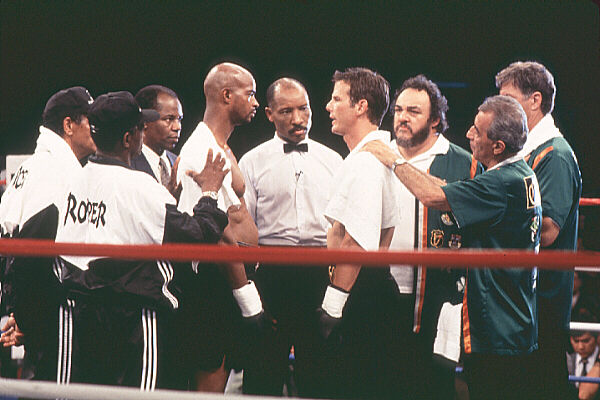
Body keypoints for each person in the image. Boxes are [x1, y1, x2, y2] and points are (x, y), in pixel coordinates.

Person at [363, 95, 542, 400]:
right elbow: (450, 191)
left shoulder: (500, 182)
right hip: (513, 316)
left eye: (477, 131)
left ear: (498, 146)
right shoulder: (520, 172)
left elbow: (433, 197)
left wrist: (392, 159)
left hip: (497, 324)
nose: (469, 134)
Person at [54, 91, 229, 390]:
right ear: (128, 138)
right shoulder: (138, 185)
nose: (143, 132)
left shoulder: (75, 178)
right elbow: (197, 236)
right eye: (139, 128)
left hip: (81, 314)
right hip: (131, 317)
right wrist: (209, 193)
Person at [238, 78, 342, 397]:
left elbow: (341, 228)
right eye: (286, 111)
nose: (298, 119)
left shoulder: (333, 161)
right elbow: (243, 230)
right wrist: (251, 289)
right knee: (263, 374)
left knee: (319, 375)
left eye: (303, 109)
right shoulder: (251, 161)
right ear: (269, 114)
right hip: (271, 273)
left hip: (319, 271)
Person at [384, 74, 483, 399]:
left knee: (432, 385)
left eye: (414, 111)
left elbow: (479, 229)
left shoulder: (464, 164)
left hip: (439, 296)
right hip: (380, 289)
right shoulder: (377, 154)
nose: (403, 117)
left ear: (435, 119)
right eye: (399, 110)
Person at [176, 62, 268, 392]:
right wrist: (247, 299)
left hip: (232, 277)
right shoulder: (201, 151)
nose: (256, 102)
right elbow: (216, 234)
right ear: (227, 95)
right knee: (211, 378)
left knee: (227, 377)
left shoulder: (219, 145)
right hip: (216, 282)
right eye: (250, 94)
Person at [496, 61, 583, 400]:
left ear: (535, 100)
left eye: (508, 99)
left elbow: (546, 231)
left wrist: (487, 217)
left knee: (542, 387)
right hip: (519, 303)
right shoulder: (526, 151)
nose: (500, 108)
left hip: (540, 306)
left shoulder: (555, 154)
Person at [0, 86, 96, 383]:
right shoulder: (56, 171)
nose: (96, 128)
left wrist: (21, 312)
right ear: (69, 125)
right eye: (90, 120)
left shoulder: (35, 166)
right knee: (58, 390)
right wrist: (27, 316)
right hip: (55, 308)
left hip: (41, 305)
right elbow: (32, 252)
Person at [316, 67, 401, 399]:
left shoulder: (367, 162)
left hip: (361, 293)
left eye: (337, 99)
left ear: (361, 106)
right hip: (365, 289)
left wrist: (333, 305)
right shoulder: (367, 156)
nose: (328, 106)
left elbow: (355, 241)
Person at [132, 85, 181, 189]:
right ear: (145, 121)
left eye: (179, 119)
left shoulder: (180, 164)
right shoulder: (128, 165)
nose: (177, 127)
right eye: (169, 119)